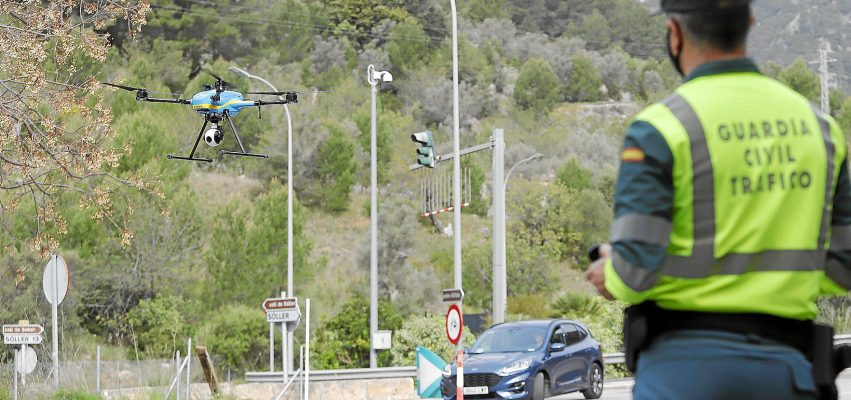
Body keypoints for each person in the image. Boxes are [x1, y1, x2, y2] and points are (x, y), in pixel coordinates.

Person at [584, 0, 851, 399]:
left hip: (681, 377)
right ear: (750, 22)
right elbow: (844, 267)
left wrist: (611, 271)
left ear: (674, 33)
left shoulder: (659, 129)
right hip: (787, 374)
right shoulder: (821, 130)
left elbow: (636, 272)